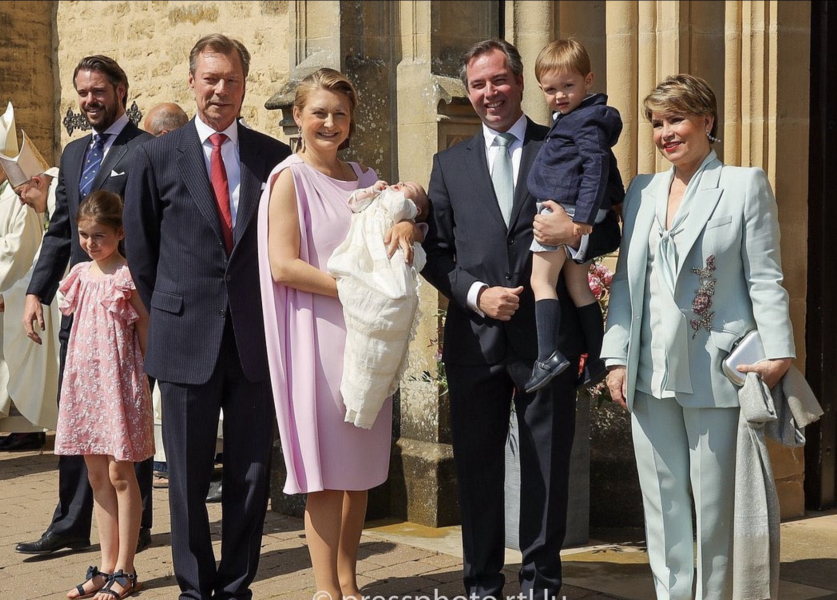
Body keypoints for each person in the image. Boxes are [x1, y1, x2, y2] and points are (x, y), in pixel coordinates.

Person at [420, 39, 620, 599]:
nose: (489, 94)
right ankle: (482, 584)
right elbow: (433, 253)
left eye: (499, 81)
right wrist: (477, 294)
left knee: (547, 468)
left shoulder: (565, 137)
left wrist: (575, 234)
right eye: (478, 84)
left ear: (519, 82)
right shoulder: (448, 163)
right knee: (478, 471)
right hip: (474, 339)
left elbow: (609, 225)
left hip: (545, 339)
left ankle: (541, 584)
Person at [601, 74, 794, 599]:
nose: (665, 132)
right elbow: (624, 279)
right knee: (662, 506)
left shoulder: (743, 184)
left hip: (715, 368)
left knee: (712, 509)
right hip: (646, 371)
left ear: (707, 121)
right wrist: (616, 357)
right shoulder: (642, 189)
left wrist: (778, 351)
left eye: (676, 119)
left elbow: (764, 276)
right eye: (658, 123)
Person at [124, 34, 290, 599]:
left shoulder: (273, 158)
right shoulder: (154, 155)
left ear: (246, 84)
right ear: (193, 81)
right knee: (188, 480)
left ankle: (238, 584)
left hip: (252, 339)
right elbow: (142, 253)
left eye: (232, 79)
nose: (221, 89)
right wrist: (176, 306)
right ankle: (195, 588)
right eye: (211, 78)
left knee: (249, 476)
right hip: (185, 336)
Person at [258, 67, 414, 600]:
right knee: (326, 477)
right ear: (297, 116)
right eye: (318, 112)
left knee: (360, 473)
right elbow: (283, 266)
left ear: (351, 122)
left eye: (339, 114)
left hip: (369, 344)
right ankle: (327, 590)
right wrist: (359, 292)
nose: (329, 122)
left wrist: (407, 224)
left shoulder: (369, 179)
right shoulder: (289, 179)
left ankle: (351, 582)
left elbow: (402, 212)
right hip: (318, 343)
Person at [17, 55, 155, 556]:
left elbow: (153, 233)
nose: (89, 100)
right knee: (79, 420)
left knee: (125, 425)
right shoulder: (74, 154)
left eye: (98, 91)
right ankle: (72, 522)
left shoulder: (147, 150)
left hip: (123, 308)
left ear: (121, 89)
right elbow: (59, 230)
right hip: (78, 306)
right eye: (82, 92)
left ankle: (133, 531)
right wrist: (37, 292)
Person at [56, 190, 152, 600]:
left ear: (119, 233)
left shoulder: (127, 277)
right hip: (85, 385)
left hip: (118, 382)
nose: (91, 243)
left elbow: (144, 327)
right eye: (84, 235)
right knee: (96, 475)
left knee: (120, 474)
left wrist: (148, 377)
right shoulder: (79, 275)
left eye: (99, 235)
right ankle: (107, 563)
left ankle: (127, 569)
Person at [524, 39, 625, 394]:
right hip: (572, 209)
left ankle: (547, 356)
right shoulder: (580, 119)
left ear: (589, 80)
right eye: (551, 89)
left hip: (564, 211)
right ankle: (599, 358)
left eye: (568, 86)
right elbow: (606, 164)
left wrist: (582, 219)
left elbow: (596, 167)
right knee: (578, 286)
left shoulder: (584, 121)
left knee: (541, 282)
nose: (560, 95)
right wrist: (616, 201)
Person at [327, 180, 428, 429]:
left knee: (388, 303)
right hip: (362, 251)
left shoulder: (402, 208)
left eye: (410, 188)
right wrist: (372, 191)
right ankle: (357, 391)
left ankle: (365, 393)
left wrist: (407, 217)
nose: (402, 183)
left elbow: (406, 213)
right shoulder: (376, 195)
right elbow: (353, 202)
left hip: (383, 257)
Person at [0, 105, 60, 452]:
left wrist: (15, 296)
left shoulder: (56, 201)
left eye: (24, 193)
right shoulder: (44, 200)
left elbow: (26, 255)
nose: (22, 201)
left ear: (36, 180)